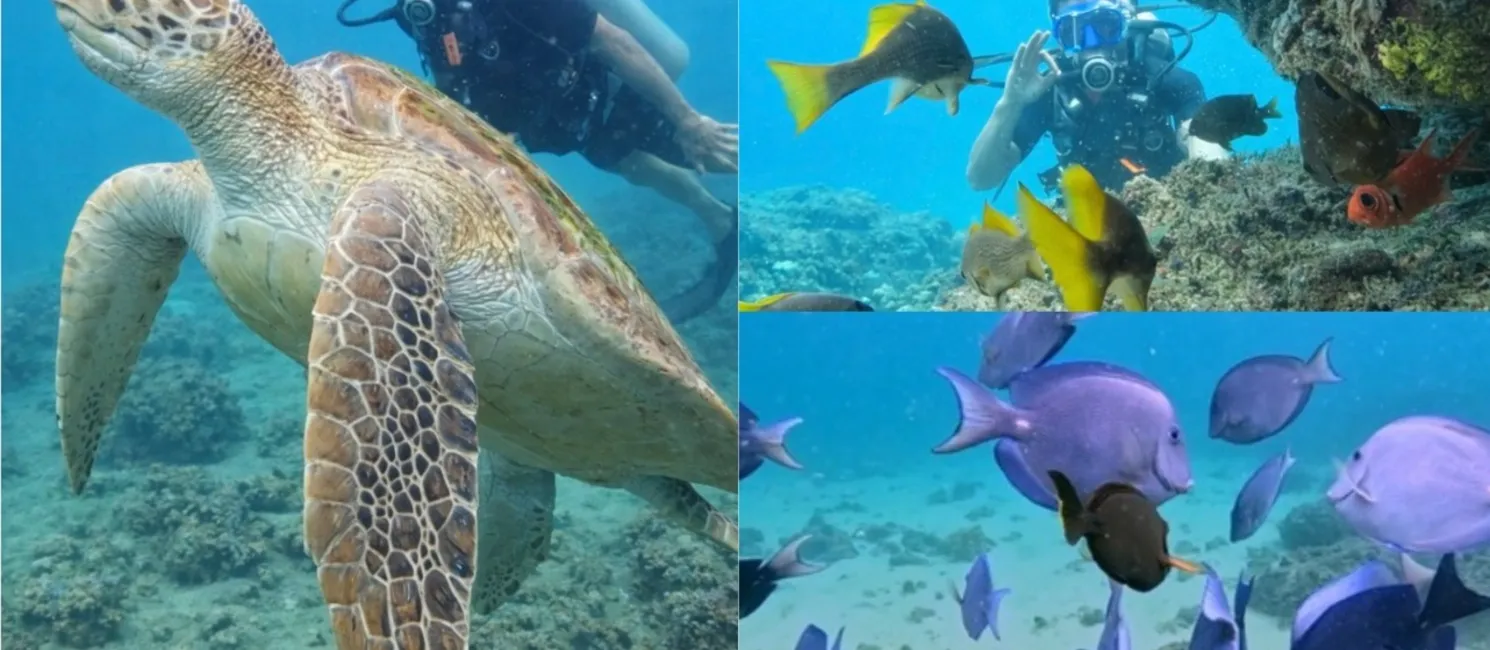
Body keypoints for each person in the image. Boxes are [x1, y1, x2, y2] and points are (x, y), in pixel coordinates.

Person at [339, 0, 738, 322]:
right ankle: (721, 219)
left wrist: (687, 120)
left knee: (699, 150)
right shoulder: (424, 14)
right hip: (557, 114)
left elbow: (615, 44)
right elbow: (453, 75)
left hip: (603, 86)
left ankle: (772, 156)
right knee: (634, 167)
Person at [967, 0, 1228, 197]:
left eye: (1105, 25)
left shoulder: (1163, 77)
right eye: (1074, 31)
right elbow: (981, 178)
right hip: (1089, 224)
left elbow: (1206, 151)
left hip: (1169, 203)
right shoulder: (1050, 89)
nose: (1092, 43)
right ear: (1060, 36)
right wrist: (1010, 104)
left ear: (1126, 23)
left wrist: (1201, 154)